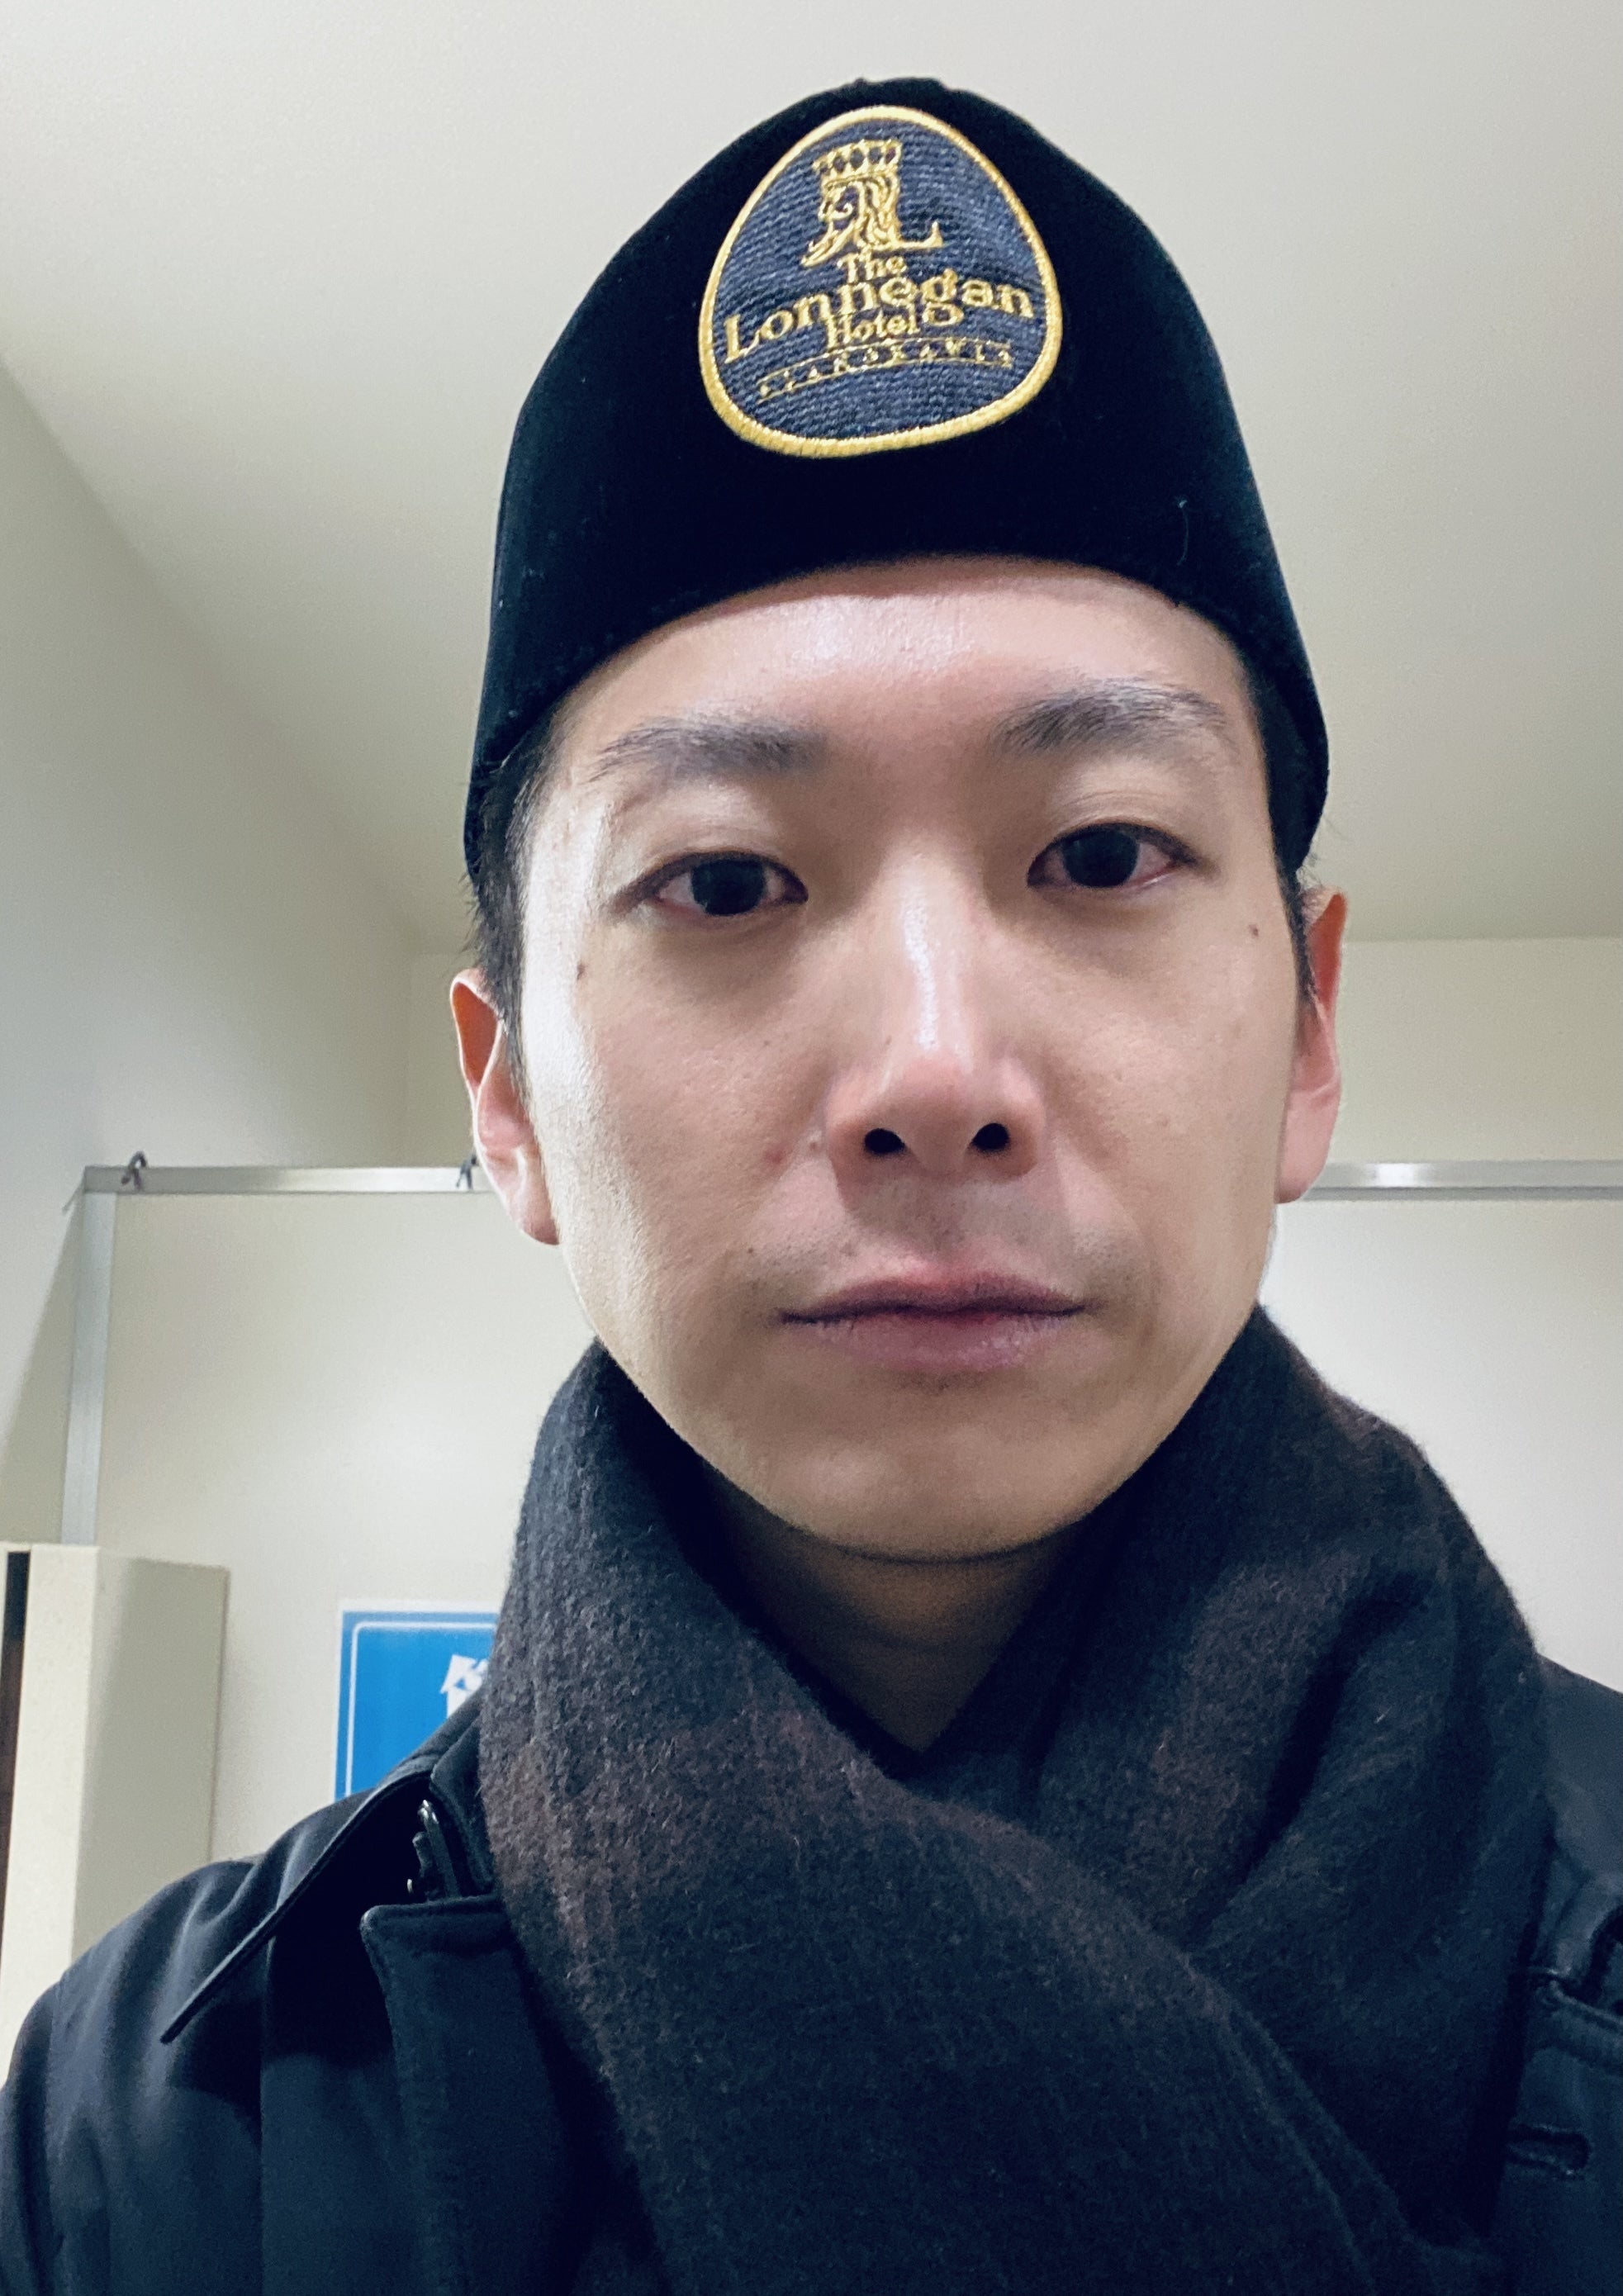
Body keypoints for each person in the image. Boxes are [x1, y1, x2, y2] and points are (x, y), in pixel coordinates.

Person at [1, 77, 1617, 2296]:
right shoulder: (164, 2127)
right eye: (728, 880)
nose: (936, 1070)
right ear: (507, 1097)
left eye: (1103, 852)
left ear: (1309, 1028)